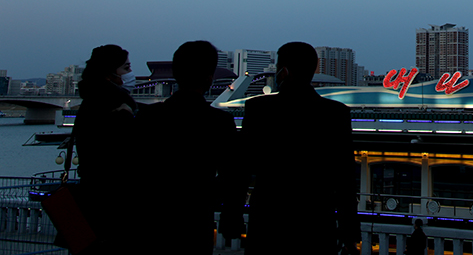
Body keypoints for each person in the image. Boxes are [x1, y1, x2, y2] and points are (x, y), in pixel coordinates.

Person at [241, 42, 360, 254]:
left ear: (284, 71)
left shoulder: (258, 109)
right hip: (316, 223)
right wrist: (349, 232)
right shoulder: (335, 113)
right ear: (313, 70)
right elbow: (345, 179)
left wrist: (232, 213)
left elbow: (241, 168)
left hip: (268, 221)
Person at [135, 41, 244, 253]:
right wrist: (230, 215)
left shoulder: (148, 117)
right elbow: (233, 175)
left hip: (149, 219)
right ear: (209, 78)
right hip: (196, 219)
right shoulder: (219, 122)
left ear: (176, 74)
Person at [72, 44, 138, 253]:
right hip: (113, 205)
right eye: (126, 68)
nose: (131, 73)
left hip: (91, 201)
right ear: (110, 72)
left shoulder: (91, 101)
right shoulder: (113, 106)